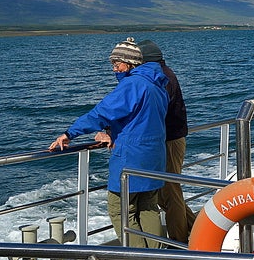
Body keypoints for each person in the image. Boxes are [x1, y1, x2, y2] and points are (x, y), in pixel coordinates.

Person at [49, 37, 168, 248]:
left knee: (120, 209)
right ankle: (158, 259)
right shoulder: (157, 85)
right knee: (149, 208)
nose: (114, 68)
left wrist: (69, 133)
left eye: (117, 63)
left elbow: (102, 112)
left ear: (130, 63)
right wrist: (111, 130)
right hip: (154, 156)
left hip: (132, 158)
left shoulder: (132, 85)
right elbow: (140, 118)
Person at [138, 39, 195, 244]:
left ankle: (179, 240)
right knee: (167, 193)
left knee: (169, 193)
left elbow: (152, 111)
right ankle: (195, 225)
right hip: (171, 138)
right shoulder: (165, 74)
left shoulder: (162, 78)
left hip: (169, 140)